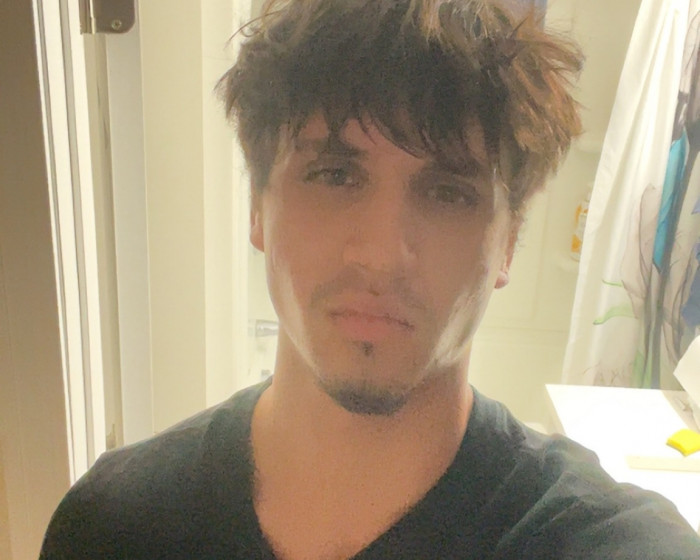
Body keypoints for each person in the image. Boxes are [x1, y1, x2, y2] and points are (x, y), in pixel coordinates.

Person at [40, 0, 700, 558]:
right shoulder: (112, 529)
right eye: (335, 175)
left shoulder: (613, 546)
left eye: (447, 192)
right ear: (258, 208)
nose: (382, 254)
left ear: (508, 240)